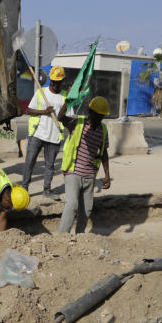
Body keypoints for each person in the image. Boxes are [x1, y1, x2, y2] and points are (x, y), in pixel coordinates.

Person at [56, 96, 111, 234]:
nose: (100, 119)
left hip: (90, 175)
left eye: (102, 116)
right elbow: (60, 117)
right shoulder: (77, 122)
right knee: (72, 204)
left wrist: (107, 175)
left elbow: (104, 152)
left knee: (86, 209)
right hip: (73, 171)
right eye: (98, 115)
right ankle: (62, 236)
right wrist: (67, 103)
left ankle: (80, 237)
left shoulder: (103, 130)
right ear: (90, 111)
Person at [20, 66, 67, 200]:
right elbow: (28, 110)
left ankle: (47, 190)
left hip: (54, 136)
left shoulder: (65, 97)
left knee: (50, 165)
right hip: (38, 134)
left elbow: (68, 116)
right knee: (30, 161)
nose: (54, 84)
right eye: (53, 81)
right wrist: (44, 112)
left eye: (57, 82)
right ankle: (24, 187)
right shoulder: (42, 92)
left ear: (62, 81)